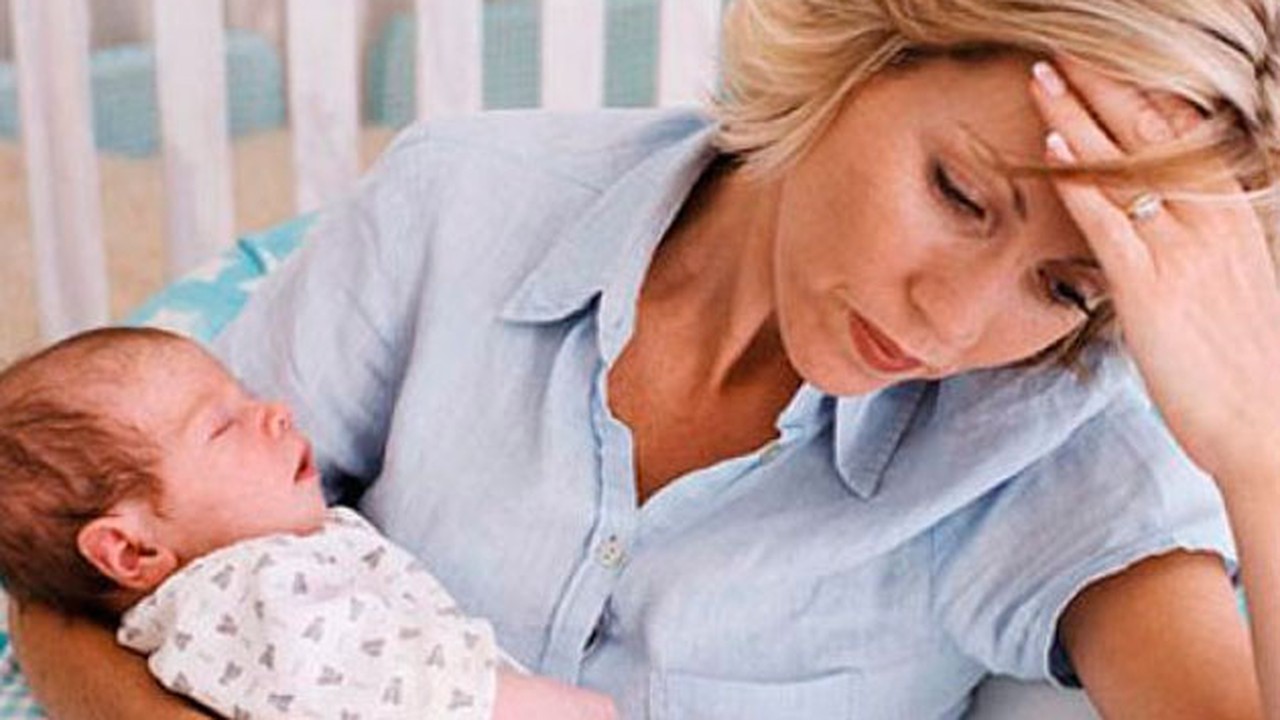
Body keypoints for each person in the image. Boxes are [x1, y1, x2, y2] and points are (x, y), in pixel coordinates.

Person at [12, 0, 1280, 717]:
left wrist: (1257, 453)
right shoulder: (463, 204)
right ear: (858, 56)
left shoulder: (1064, 443)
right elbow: (81, 563)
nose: (950, 321)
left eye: (1064, 286)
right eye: (957, 194)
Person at [0, 327, 617, 720]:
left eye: (246, 397)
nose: (275, 412)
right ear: (131, 551)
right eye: (221, 426)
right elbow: (413, 694)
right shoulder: (251, 595)